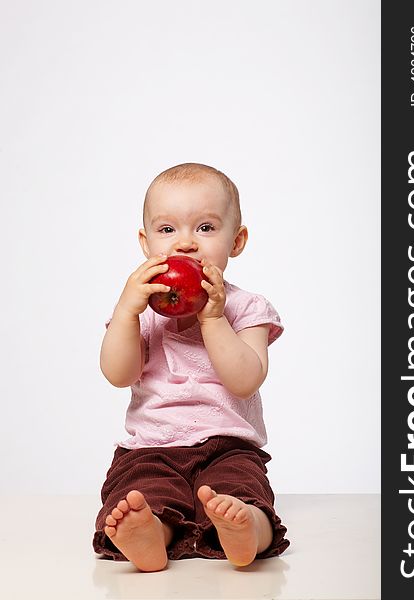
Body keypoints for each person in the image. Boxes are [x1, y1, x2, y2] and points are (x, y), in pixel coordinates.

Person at [93, 162, 290, 572]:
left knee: (241, 490)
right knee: (139, 492)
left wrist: (213, 318)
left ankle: (247, 527)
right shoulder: (142, 311)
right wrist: (127, 311)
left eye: (205, 228)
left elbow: (245, 379)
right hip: (150, 448)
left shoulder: (245, 308)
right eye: (167, 230)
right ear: (146, 243)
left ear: (237, 241)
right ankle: (151, 532)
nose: (185, 244)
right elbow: (118, 373)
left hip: (228, 445)